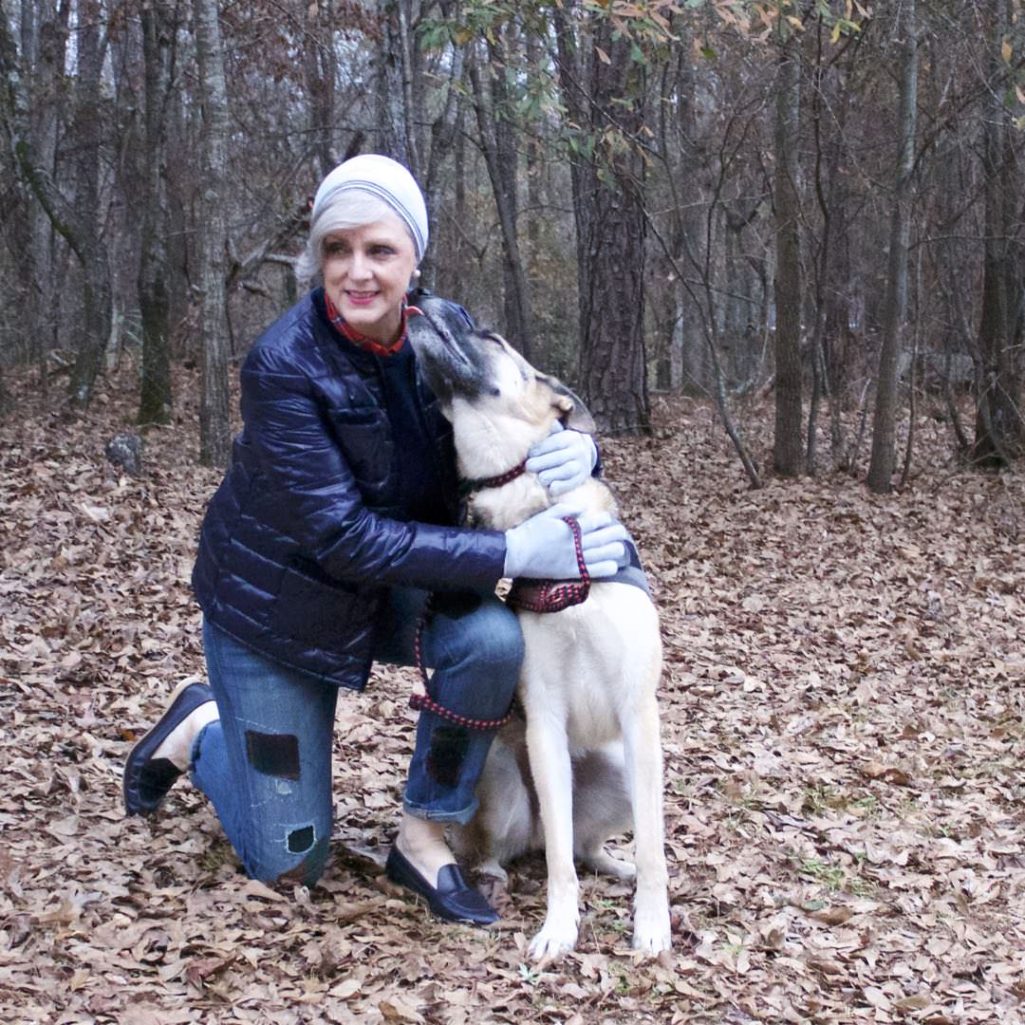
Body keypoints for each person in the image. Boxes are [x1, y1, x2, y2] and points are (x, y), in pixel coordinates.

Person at [123, 154, 629, 925]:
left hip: (398, 580)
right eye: (337, 249)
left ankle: (424, 836)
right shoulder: (282, 365)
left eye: (380, 250)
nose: (357, 271)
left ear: (413, 258)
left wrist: (582, 446)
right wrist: (511, 555)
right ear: (318, 257)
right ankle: (202, 729)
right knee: (288, 858)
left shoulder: (445, 332)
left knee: (490, 643)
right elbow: (344, 539)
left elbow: (534, 405)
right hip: (279, 611)